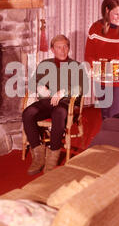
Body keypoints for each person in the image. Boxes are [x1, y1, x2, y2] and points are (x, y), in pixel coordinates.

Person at [23, 34, 85, 175]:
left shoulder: (76, 66)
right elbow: (33, 83)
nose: (63, 50)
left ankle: (52, 156)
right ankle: (38, 155)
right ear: (52, 49)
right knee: (28, 113)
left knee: (59, 113)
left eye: (65, 46)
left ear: (68, 48)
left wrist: (63, 92)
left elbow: (80, 88)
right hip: (47, 102)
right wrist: (40, 87)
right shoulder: (45, 64)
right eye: (58, 47)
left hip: (66, 103)